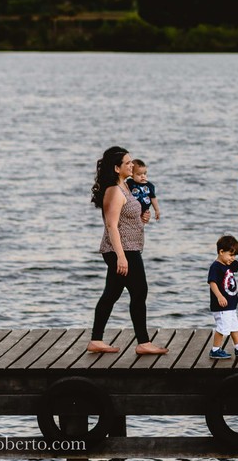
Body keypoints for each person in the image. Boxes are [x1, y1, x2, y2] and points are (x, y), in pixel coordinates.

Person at [86, 146, 168, 356]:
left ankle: (96, 340)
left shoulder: (124, 187)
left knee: (111, 294)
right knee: (139, 291)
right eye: (127, 163)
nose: (132, 165)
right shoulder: (114, 191)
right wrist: (121, 256)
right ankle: (143, 342)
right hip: (122, 250)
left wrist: (142, 219)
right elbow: (111, 225)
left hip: (128, 248)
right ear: (116, 168)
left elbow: (126, 217)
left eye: (132, 162)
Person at [207, 235, 238, 359]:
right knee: (223, 328)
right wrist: (219, 296)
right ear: (221, 252)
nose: (233, 258)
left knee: (234, 326)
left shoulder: (228, 264)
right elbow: (212, 282)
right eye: (231, 255)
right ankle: (215, 349)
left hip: (230, 304)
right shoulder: (216, 267)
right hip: (221, 305)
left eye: (234, 255)